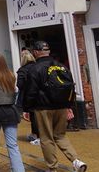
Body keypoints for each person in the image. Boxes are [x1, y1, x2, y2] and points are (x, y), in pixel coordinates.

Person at [23, 41, 87, 172]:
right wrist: (69, 106)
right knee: (60, 135)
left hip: (44, 107)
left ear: (35, 52)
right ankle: (76, 161)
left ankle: (52, 168)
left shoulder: (35, 68)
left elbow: (31, 91)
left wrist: (27, 108)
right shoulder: (61, 66)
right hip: (62, 107)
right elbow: (70, 87)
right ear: (48, 52)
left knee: (46, 138)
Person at [16, 49, 40, 145]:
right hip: (40, 95)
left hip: (29, 96)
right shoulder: (38, 67)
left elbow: (20, 85)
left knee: (34, 116)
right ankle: (36, 134)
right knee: (38, 115)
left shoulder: (22, 70)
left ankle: (37, 136)